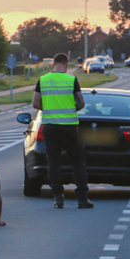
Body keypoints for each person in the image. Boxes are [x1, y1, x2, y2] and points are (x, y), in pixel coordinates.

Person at [32, 53, 93, 209]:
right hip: (70, 127)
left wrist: (48, 108)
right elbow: (81, 103)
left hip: (50, 127)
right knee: (78, 162)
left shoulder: (43, 80)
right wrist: (71, 108)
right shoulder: (71, 80)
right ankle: (82, 199)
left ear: (53, 64)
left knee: (53, 162)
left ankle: (58, 197)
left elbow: (35, 103)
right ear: (66, 65)